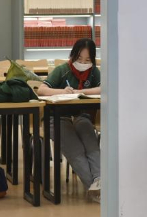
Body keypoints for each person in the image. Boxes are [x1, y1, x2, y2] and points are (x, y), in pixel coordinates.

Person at [38, 38, 102, 202]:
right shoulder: (62, 70)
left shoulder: (94, 72)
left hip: (81, 117)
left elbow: (104, 88)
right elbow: (42, 90)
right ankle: (96, 189)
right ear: (73, 55)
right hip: (57, 118)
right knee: (76, 151)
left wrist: (81, 92)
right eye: (79, 59)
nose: (83, 63)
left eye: (87, 60)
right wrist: (62, 91)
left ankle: (100, 182)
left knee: (92, 146)